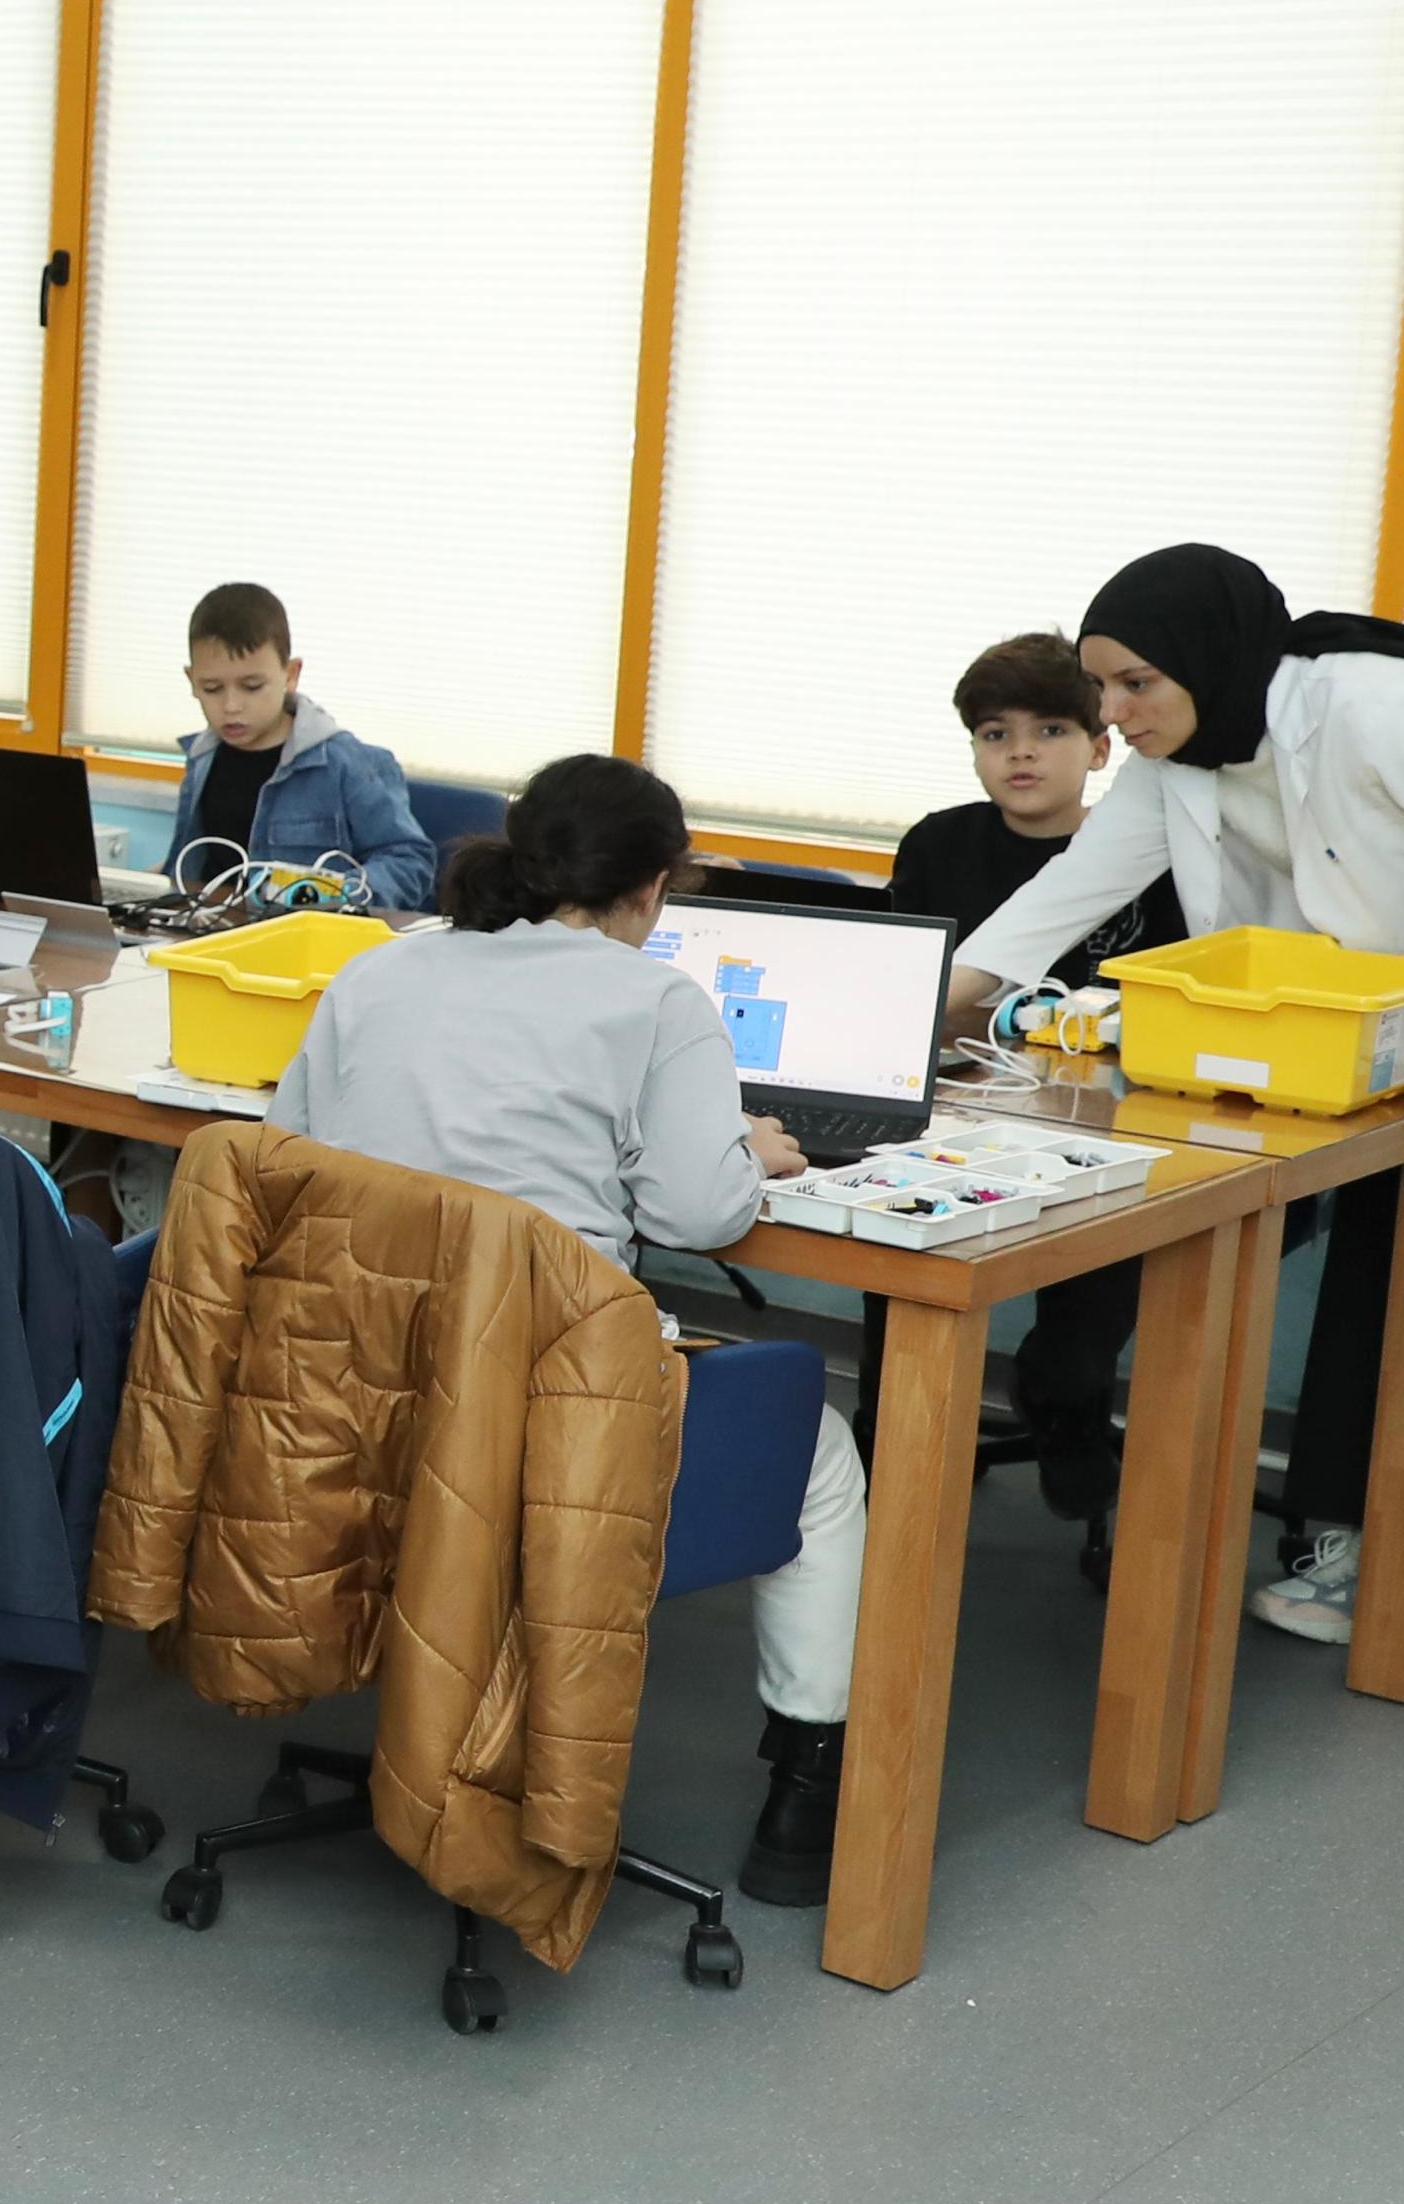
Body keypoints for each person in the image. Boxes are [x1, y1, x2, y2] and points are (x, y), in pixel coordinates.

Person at [270, 757, 870, 1909]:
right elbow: (695, 1213)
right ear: (651, 889)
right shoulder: (656, 1001)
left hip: (363, 1393)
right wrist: (745, 1147)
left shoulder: (379, 966)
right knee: (821, 1453)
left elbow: (290, 1153)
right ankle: (805, 1783)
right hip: (538, 1417)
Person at [945, 549, 1404, 1645]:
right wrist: (918, 1015)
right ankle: (1340, 1543)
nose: (1112, 711)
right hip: (1328, 1056)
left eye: (1135, 682)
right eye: (1099, 686)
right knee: (1362, 1294)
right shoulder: (1173, 762)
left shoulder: (1366, 703)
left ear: (1209, 655)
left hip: (1372, 1036)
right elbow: (1061, 897)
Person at [885, 634, 1180, 1536]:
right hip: (957, 1107)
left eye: (1051, 730)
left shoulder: (1154, 853)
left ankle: (1065, 1401)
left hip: (1110, 1123)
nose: (1020, 752)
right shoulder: (940, 843)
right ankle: (883, 1441)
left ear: (1102, 746)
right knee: (893, 1243)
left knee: (1097, 1285)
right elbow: (908, 989)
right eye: (994, 734)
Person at [166, 583, 439, 917]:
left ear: (291, 674)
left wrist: (334, 895)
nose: (231, 705)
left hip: (306, 937)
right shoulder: (201, 758)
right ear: (192, 680)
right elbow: (187, 869)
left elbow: (410, 862)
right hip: (207, 930)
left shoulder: (348, 763)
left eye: (252, 686)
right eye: (212, 688)